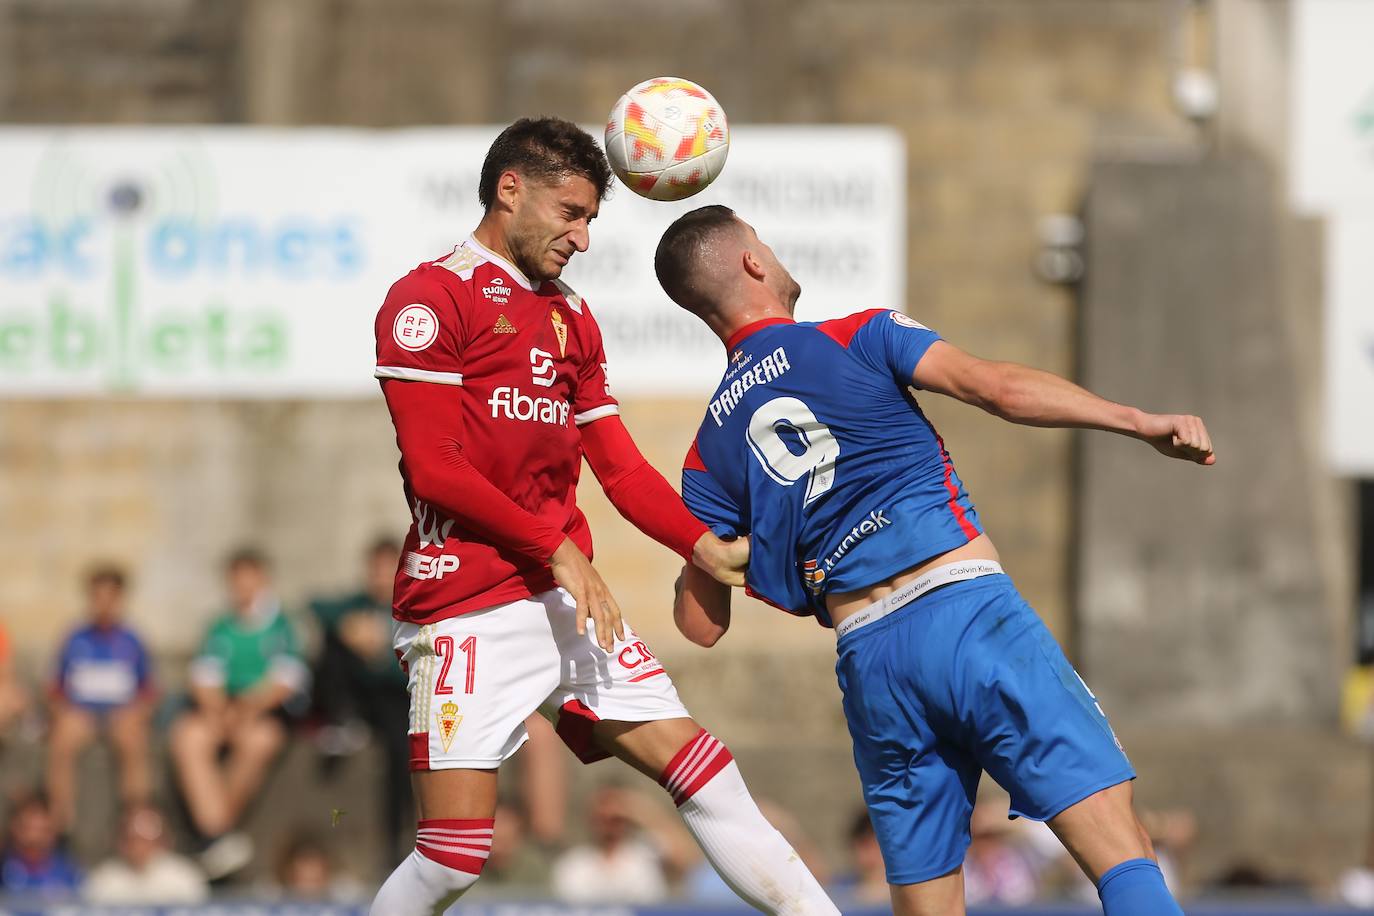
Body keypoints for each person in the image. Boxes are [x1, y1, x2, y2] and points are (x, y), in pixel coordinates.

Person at [658, 204, 1215, 916]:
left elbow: (701, 627)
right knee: (1119, 844)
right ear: (752, 263)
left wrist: (709, 553)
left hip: (872, 663)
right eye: (764, 242)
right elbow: (998, 390)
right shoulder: (858, 333)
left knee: (929, 904)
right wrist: (1138, 422)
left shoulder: (709, 448)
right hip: (964, 610)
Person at [367, 117, 836, 916]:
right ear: (510, 189)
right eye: (571, 213)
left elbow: (616, 465)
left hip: (569, 603)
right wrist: (556, 548)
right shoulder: (430, 297)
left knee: (707, 775)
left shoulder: (571, 317)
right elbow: (435, 468)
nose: (583, 238)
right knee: (452, 860)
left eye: (591, 218)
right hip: (466, 602)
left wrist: (704, 546)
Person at [169, 548, 309, 878]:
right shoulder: (219, 626)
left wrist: (245, 709)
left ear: (262, 579)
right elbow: (204, 676)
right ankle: (219, 835)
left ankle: (213, 836)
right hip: (224, 709)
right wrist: (219, 711)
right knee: (189, 737)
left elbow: (284, 681)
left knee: (259, 741)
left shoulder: (283, 625)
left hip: (262, 713)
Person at [309, 537, 413, 864]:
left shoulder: (410, 606)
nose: (380, 577)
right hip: (358, 697)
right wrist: (350, 628)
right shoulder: (358, 604)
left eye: (387, 569)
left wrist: (381, 654)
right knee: (333, 646)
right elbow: (316, 608)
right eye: (375, 569)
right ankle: (341, 720)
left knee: (401, 751)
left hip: (395, 700)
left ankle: (395, 840)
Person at [45, 565, 155, 832]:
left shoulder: (133, 640)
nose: (103, 604)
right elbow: (54, 687)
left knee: (133, 739)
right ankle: (61, 821)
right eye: (98, 596)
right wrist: (64, 712)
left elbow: (149, 691)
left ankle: (135, 818)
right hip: (82, 714)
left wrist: (135, 713)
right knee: (61, 740)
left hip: (120, 715)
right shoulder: (73, 638)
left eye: (110, 596)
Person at [550, 784, 696, 904]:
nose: (608, 825)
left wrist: (641, 810)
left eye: (616, 818)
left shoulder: (648, 851)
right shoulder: (573, 864)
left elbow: (688, 861)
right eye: (601, 817)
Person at [83, 804, 209, 905]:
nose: (138, 844)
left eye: (146, 835)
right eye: (132, 836)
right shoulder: (103, 880)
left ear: (163, 839)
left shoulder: (184, 876)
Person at [0, 792, 81, 898]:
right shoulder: (4, 868)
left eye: (44, 830)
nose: (36, 837)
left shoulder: (68, 872)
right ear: (15, 828)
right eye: (29, 828)